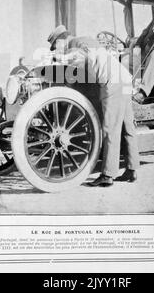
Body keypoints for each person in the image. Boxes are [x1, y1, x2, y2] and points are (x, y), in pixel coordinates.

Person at [47, 25, 140, 187]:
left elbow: (76, 65)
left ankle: (108, 175)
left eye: (56, 47)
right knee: (127, 127)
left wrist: (64, 83)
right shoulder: (85, 40)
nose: (57, 50)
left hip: (112, 83)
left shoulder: (75, 44)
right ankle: (132, 170)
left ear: (62, 40)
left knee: (109, 128)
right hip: (123, 78)